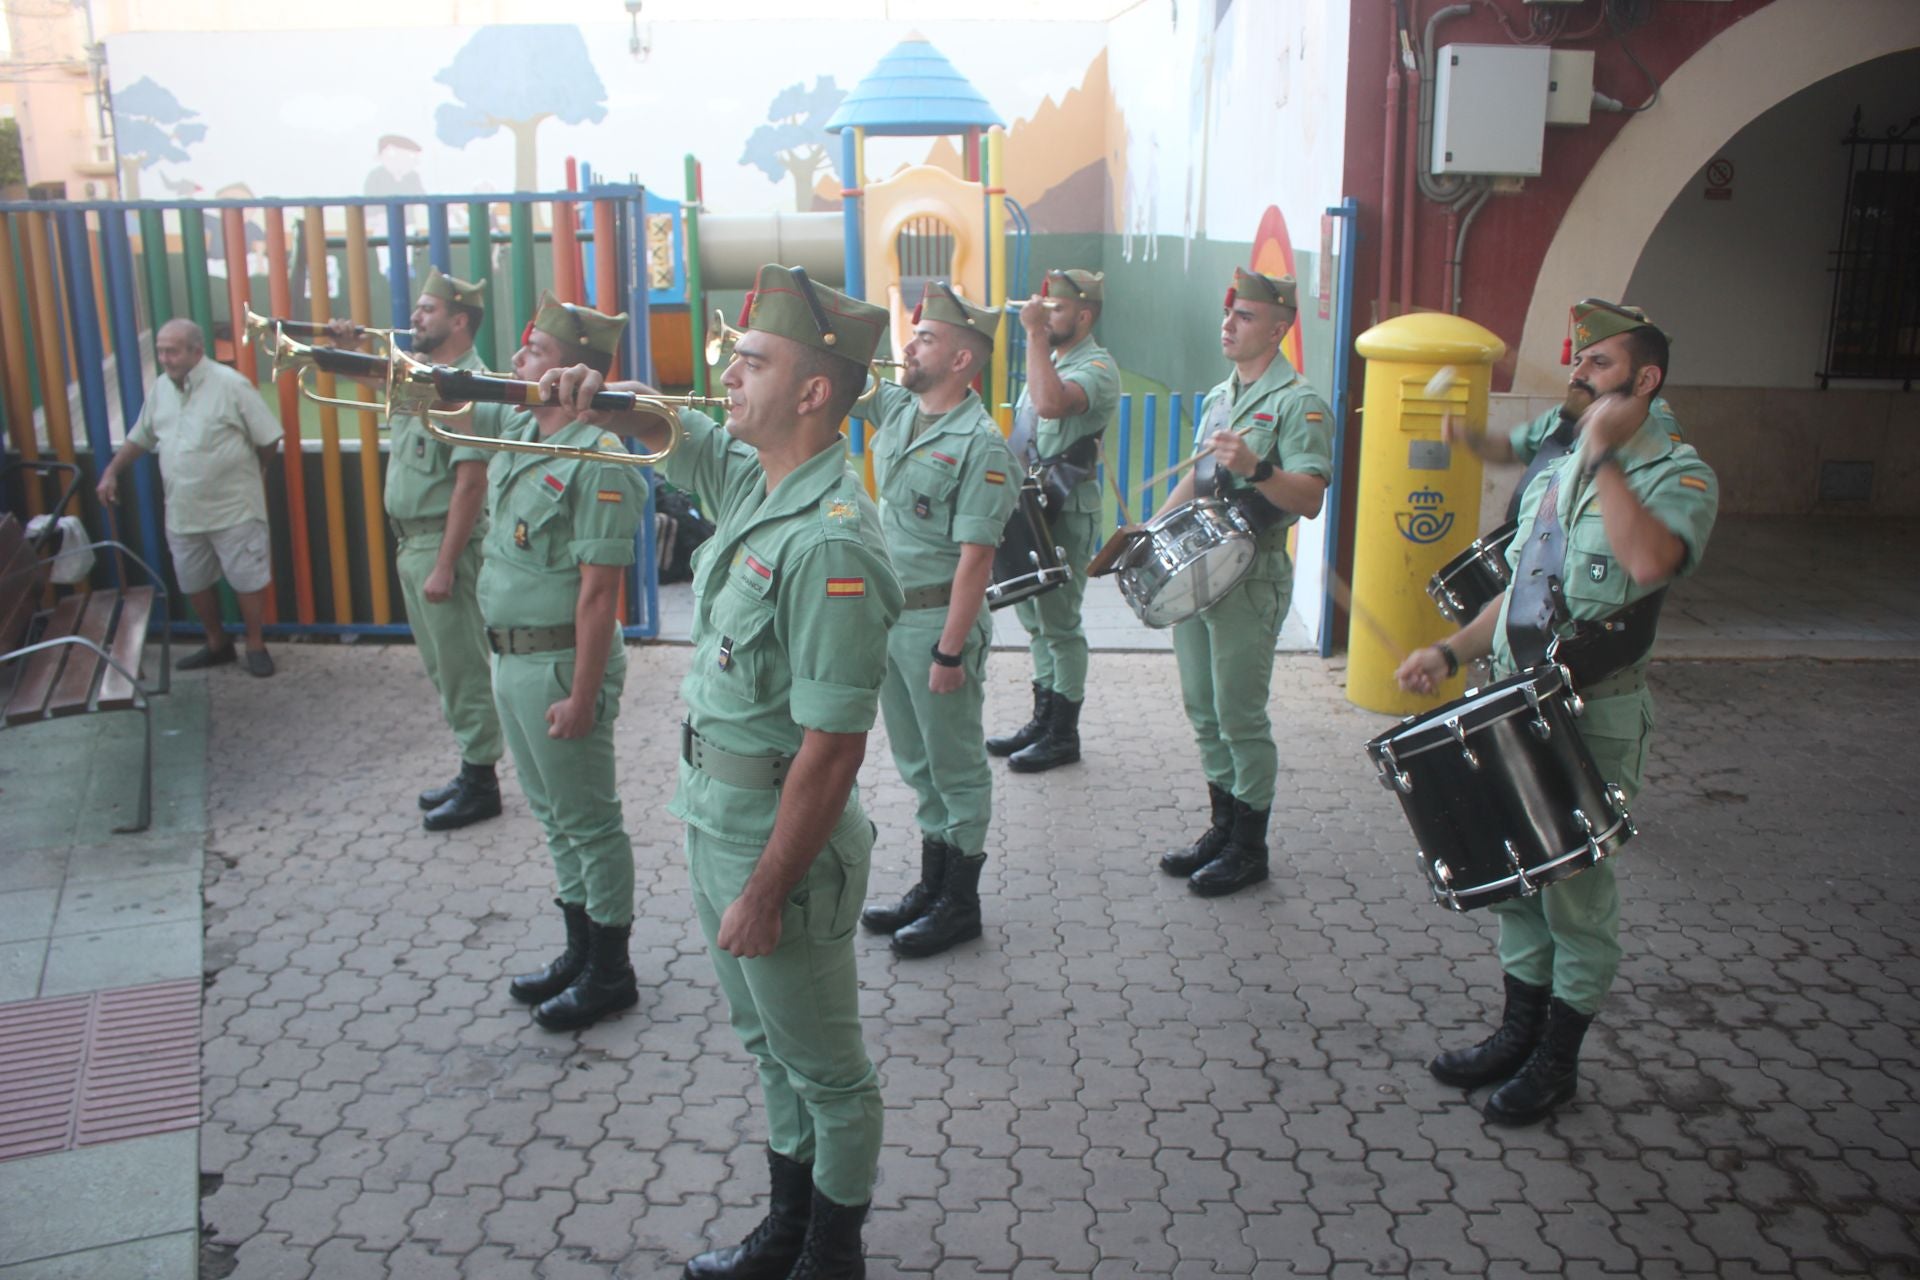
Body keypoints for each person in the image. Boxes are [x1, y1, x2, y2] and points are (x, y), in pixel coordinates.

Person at [547, 264, 901, 1280]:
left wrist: (767, 886)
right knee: (767, 1047)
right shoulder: (759, 480)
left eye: (752, 360)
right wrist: (591, 395)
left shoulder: (834, 539)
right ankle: (783, 1232)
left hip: (776, 840)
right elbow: (674, 430)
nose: (727, 374)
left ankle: (832, 1255)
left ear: (813, 391)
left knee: (828, 1071)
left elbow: (834, 747)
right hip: (713, 812)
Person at [1395, 299, 1718, 1126]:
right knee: (1515, 882)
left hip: (1591, 712)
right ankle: (1517, 1030)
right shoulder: (1570, 457)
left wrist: (1605, 460)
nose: (1578, 372)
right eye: (1578, 359)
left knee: (1574, 896)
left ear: (1645, 380)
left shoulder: (1674, 474)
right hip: (1510, 698)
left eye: (1598, 363)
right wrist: (1450, 651)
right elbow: (1521, 587)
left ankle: (1557, 1061)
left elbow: (1648, 562)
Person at [480, 294, 647, 1033]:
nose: (519, 358)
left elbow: (598, 594)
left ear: (575, 370)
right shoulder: (520, 429)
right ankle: (579, 949)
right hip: (509, 662)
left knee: (589, 820)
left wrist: (582, 698)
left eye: (536, 348)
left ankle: (611, 969)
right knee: (554, 819)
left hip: (560, 666)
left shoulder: (602, 462)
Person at [1150, 269, 1332, 897]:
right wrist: (1149, 532)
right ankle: (1222, 828)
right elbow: (1199, 480)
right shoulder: (1221, 397)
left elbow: (1308, 497)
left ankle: (1249, 847)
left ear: (1280, 329)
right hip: (1201, 572)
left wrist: (1257, 466)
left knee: (1240, 716)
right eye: (1228, 315)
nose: (1228, 324)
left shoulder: (1298, 403)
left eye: (1245, 316)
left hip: (1252, 578)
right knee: (1204, 710)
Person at [858, 283, 1018, 959]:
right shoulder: (899, 409)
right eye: (913, 333)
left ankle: (962, 903)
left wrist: (951, 653)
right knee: (916, 762)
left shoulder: (982, 444)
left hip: (938, 625)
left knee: (954, 767)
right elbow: (842, 366)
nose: (909, 345)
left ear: (961, 359)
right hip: (892, 620)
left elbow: (977, 560)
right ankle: (932, 884)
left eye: (926, 338)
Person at [327, 268, 505, 832]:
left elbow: (470, 485)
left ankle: (482, 782)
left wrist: (446, 565)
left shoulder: (466, 387)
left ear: (459, 320)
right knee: (440, 667)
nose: (414, 318)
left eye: (427, 310)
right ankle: (470, 765)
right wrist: (349, 350)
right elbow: (386, 385)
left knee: (462, 669)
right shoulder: (426, 377)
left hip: (438, 544)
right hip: (414, 542)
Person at [986, 268, 1120, 774]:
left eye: (1056, 309)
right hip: (1034, 509)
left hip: (1066, 511)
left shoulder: (1098, 368)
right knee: (1035, 621)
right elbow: (1028, 429)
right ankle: (1042, 719)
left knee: (1061, 625)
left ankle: (1064, 733)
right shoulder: (1057, 358)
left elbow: (1048, 404)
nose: (1045, 315)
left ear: (1084, 316)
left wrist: (1034, 333)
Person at [95, 318, 282, 676]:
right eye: (161, 350)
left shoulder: (232, 385)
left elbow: (268, 437)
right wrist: (111, 471)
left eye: (173, 350)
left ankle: (255, 645)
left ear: (197, 351)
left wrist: (253, 474)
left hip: (235, 508)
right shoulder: (161, 389)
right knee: (193, 582)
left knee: (248, 580)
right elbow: (141, 436)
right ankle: (217, 644)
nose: (165, 358)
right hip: (182, 511)